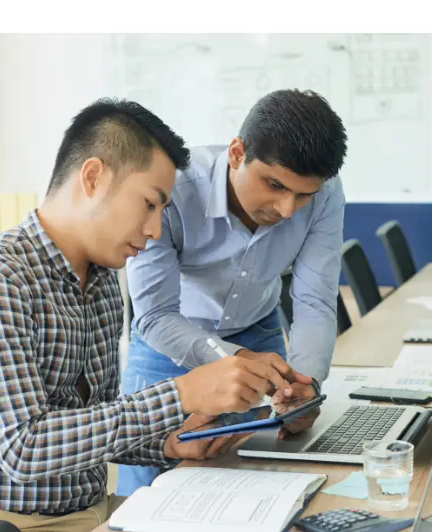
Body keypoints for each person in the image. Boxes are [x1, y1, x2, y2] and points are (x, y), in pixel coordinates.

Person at [0, 98, 295, 532]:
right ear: (93, 177)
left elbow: (92, 424)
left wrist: (168, 442)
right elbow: (23, 448)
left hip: (90, 516)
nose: (155, 229)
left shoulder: (99, 283)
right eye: (149, 204)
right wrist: (181, 394)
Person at [117, 88, 349, 496]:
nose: (287, 209)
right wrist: (235, 360)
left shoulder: (326, 194)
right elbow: (154, 315)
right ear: (237, 153)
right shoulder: (173, 189)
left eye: (303, 195)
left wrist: (306, 386)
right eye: (274, 185)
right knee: (148, 490)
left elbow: (314, 299)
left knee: (259, 476)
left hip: (258, 332)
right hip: (167, 342)